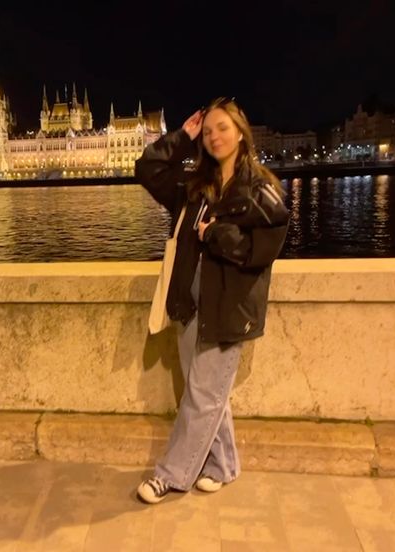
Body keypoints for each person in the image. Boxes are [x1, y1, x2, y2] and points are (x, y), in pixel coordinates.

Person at [134, 97, 289, 504]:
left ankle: (171, 475)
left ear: (240, 132)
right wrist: (182, 138)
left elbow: (265, 248)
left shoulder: (261, 189)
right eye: (208, 131)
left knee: (202, 395)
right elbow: (147, 169)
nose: (214, 136)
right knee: (206, 392)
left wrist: (217, 235)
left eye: (222, 127)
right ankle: (223, 465)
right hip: (189, 302)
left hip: (228, 307)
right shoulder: (193, 189)